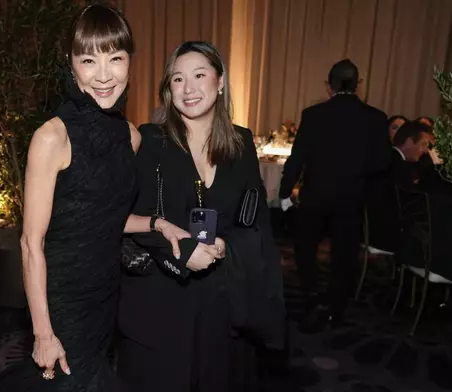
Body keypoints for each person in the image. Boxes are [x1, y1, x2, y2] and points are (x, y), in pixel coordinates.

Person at [0, 5, 187, 391]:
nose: (103, 75)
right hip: (61, 299)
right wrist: (43, 332)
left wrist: (156, 222)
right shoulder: (53, 137)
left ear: (130, 62)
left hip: (105, 292)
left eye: (115, 58)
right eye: (89, 60)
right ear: (72, 64)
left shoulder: (130, 137)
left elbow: (105, 218)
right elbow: (31, 244)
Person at [116, 41, 285, 392]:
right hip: (160, 299)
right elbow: (123, 215)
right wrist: (179, 250)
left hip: (223, 300)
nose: (188, 88)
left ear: (220, 82)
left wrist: (225, 244)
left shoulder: (241, 142)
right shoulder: (151, 140)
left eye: (199, 75)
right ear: (168, 89)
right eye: (178, 79)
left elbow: (255, 221)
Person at [279, 59, 391, 332]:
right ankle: (336, 309)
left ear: (328, 86)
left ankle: (311, 298)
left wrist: (284, 194)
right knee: (344, 254)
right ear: (358, 85)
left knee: (305, 248)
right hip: (351, 196)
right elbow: (382, 163)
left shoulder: (313, 114)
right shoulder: (376, 118)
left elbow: (297, 158)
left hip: (315, 195)